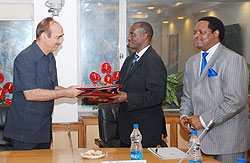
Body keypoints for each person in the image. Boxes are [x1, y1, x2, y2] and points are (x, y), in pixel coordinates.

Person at [4, 17, 82, 150]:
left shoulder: (50, 57)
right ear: (44, 36)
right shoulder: (25, 58)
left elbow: (52, 87)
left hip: (43, 129)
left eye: (62, 37)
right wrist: (66, 93)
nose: (61, 41)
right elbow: (31, 94)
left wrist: (74, 91)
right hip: (25, 132)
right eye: (58, 37)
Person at [179, 16, 249, 162]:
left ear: (216, 34)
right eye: (194, 32)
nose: (196, 36)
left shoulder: (233, 60)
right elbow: (187, 96)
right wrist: (184, 116)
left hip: (228, 143)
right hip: (200, 142)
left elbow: (236, 100)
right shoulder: (192, 62)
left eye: (201, 32)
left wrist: (203, 120)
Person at [112, 22, 167, 147]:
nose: (129, 38)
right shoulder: (129, 60)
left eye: (132, 34)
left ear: (144, 36)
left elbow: (157, 95)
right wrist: (106, 90)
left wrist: (128, 97)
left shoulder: (153, 60)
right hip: (126, 127)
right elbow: (121, 85)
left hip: (145, 130)